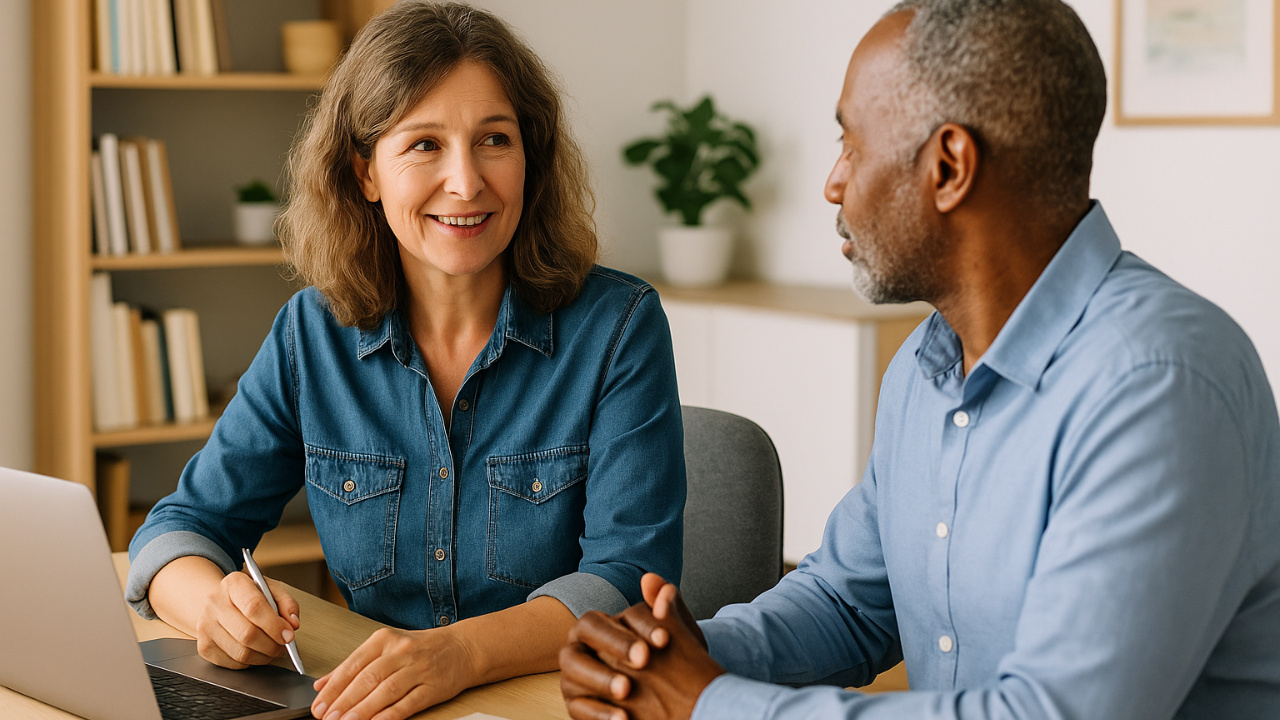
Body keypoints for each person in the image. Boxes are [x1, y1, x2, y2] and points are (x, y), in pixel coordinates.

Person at [559, 1, 1280, 718]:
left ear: (948, 167)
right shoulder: (925, 368)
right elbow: (850, 602)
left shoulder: (1158, 386)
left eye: (851, 145)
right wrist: (689, 653)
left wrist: (710, 703)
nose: (833, 183)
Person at [125, 3, 686, 720]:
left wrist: (461, 653)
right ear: (365, 172)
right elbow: (178, 530)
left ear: (530, 158)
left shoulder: (618, 327)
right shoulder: (311, 333)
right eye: (424, 145)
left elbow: (629, 577)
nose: (465, 182)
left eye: (494, 139)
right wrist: (215, 608)